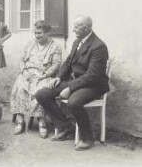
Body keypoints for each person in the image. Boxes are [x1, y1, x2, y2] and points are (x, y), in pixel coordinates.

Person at [35, 15, 109, 151]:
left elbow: (93, 75)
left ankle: (87, 138)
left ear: (85, 28)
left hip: (93, 85)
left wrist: (69, 87)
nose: (73, 30)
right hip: (76, 81)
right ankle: (64, 126)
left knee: (73, 102)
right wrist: (58, 78)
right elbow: (68, 63)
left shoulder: (98, 46)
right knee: (42, 94)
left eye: (76, 27)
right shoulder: (77, 41)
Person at [10, 20, 62, 137]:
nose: (37, 35)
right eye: (35, 33)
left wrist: (44, 75)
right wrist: (24, 71)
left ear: (47, 33)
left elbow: (56, 65)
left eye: (40, 33)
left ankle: (41, 121)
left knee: (40, 90)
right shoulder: (30, 44)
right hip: (27, 73)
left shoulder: (55, 47)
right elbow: (22, 60)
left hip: (44, 75)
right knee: (20, 87)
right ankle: (20, 120)